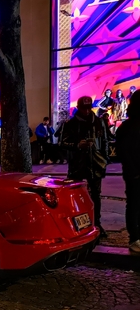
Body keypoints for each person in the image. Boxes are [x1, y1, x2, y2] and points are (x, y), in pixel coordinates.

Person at [60, 96, 109, 238]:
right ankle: (76, 224)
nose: (87, 111)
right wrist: (77, 145)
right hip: (78, 163)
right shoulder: (71, 123)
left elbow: (104, 141)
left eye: (89, 108)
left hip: (95, 162)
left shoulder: (99, 122)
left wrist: (104, 159)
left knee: (96, 195)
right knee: (75, 195)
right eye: (84, 108)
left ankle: (96, 223)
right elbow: (62, 143)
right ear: (79, 108)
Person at [115, 90, 140, 253]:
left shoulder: (128, 126)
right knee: (135, 204)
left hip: (135, 172)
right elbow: (123, 152)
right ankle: (135, 238)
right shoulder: (128, 127)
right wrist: (134, 172)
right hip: (135, 174)